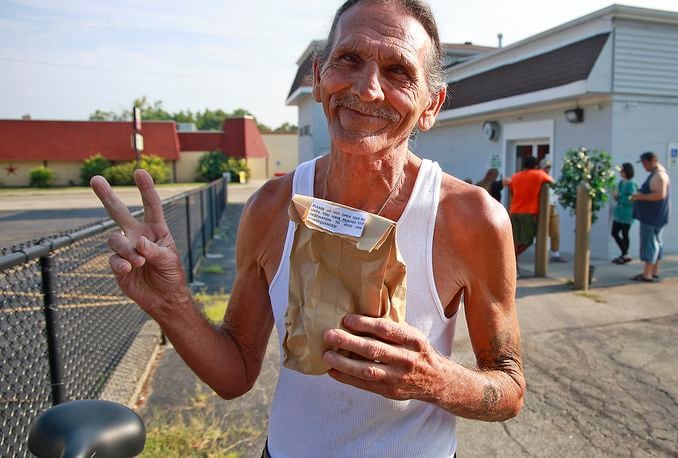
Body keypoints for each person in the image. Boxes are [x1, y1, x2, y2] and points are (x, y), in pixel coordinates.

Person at [90, 1, 524, 456]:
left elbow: (509, 389)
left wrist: (435, 379)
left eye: (398, 71)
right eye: (349, 59)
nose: (368, 89)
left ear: (431, 105)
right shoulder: (271, 208)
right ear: (318, 77)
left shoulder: (470, 218)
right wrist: (171, 302)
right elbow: (235, 373)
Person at [631, 152, 670, 282]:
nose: (644, 166)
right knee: (657, 242)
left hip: (652, 216)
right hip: (656, 216)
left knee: (650, 243)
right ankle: (654, 271)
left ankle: (647, 274)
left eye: (645, 163)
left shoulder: (659, 176)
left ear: (653, 161)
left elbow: (660, 195)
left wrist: (641, 197)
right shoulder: (658, 174)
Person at [506, 156, 554, 257]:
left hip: (514, 211)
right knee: (528, 240)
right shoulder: (538, 174)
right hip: (528, 212)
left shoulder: (515, 176)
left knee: (514, 240)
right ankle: (511, 258)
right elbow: (552, 182)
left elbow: (511, 189)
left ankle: (513, 261)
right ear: (536, 165)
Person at [611, 162, 637, 264]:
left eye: (622, 170)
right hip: (619, 212)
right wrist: (616, 196)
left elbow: (632, 199)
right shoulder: (621, 183)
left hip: (627, 212)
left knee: (625, 233)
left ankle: (625, 254)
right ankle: (625, 253)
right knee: (615, 232)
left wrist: (620, 197)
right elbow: (619, 197)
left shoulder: (631, 184)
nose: (620, 172)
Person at [541, 160, 567, 262]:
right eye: (546, 167)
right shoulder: (540, 178)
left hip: (553, 207)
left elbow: (556, 194)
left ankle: (555, 254)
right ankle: (542, 256)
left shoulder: (551, 179)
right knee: (543, 232)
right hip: (544, 207)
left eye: (549, 167)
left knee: (555, 231)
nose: (547, 169)